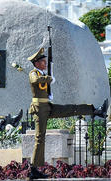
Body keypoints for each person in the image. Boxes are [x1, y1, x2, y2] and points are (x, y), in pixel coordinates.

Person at [27, 48, 107, 179]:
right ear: (36, 63)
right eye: (42, 61)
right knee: (40, 138)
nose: (45, 63)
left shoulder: (42, 73)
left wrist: (49, 79)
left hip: (47, 106)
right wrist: (48, 78)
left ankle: (95, 110)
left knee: (70, 109)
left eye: (45, 61)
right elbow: (35, 80)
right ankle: (33, 169)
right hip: (39, 109)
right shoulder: (33, 73)